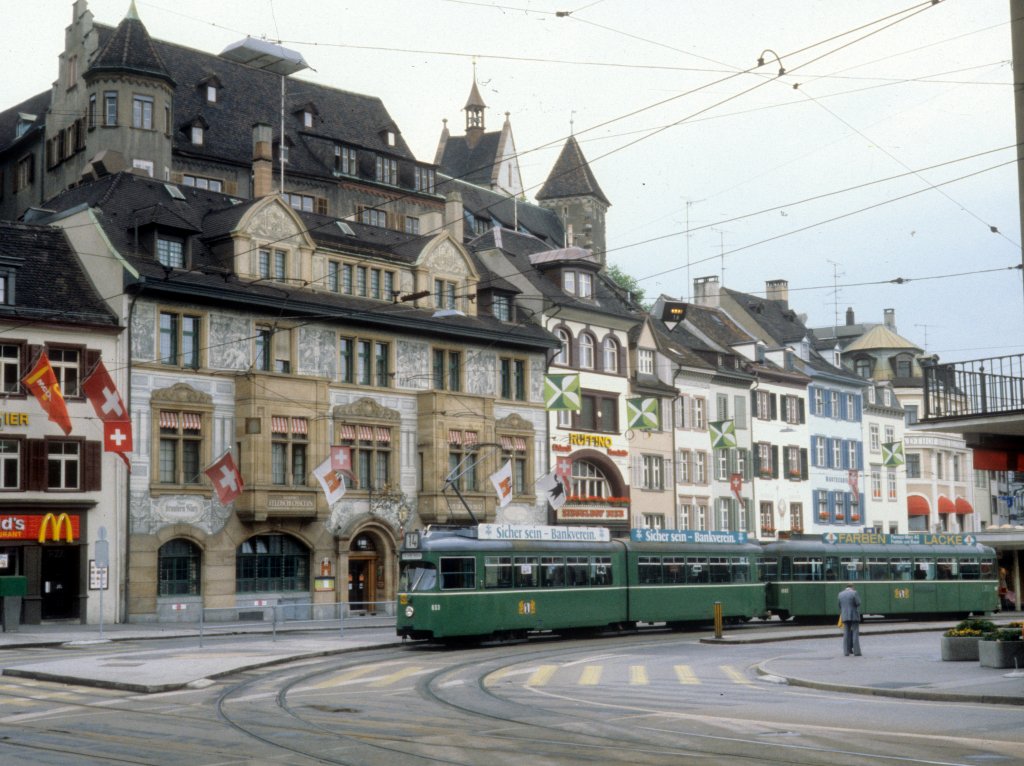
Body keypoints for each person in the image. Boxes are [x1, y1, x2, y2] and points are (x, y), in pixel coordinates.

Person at [838, 583, 862, 657]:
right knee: (855, 632)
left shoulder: (840, 594)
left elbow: (839, 605)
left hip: (844, 615)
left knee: (846, 633)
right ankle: (856, 652)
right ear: (852, 587)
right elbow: (858, 603)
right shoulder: (854, 593)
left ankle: (846, 652)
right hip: (854, 615)